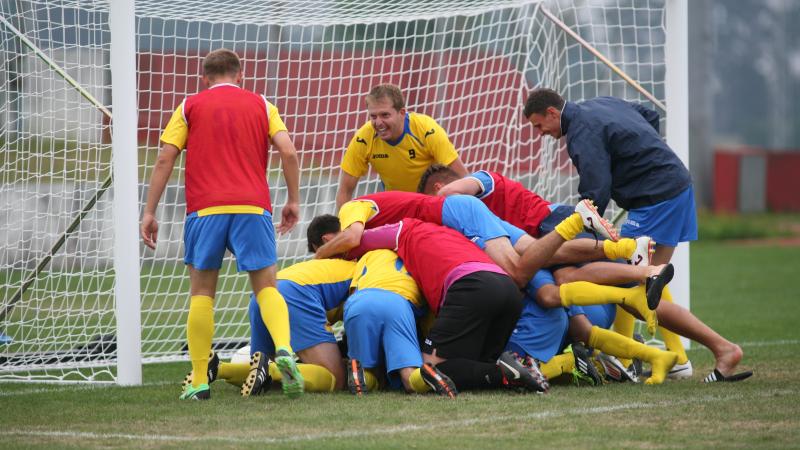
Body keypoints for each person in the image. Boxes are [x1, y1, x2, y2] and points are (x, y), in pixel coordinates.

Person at [523, 89, 750, 382]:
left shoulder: (580, 131)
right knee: (646, 283)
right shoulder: (601, 103)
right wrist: (639, 155)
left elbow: (595, 192)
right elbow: (649, 115)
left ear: (552, 113)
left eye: (539, 126)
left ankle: (720, 349)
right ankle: (674, 359)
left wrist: (577, 229)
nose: (541, 133)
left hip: (656, 200)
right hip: (676, 187)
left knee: (626, 284)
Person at [140, 49, 303, 400]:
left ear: (205, 77)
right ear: (240, 74)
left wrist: (149, 211)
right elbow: (288, 152)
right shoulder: (262, 104)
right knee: (267, 288)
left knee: (201, 295)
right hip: (252, 207)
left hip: (205, 210)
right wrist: (292, 200)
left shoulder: (189, 107)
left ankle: (200, 379)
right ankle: (285, 350)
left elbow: (165, 157)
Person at [311, 216, 549, 394]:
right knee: (474, 367)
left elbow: (355, 243)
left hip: (468, 287)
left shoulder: (400, 233)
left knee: (429, 368)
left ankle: (503, 373)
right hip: (506, 287)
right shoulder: (453, 233)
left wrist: (322, 255)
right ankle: (516, 370)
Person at [312, 190, 618, 289]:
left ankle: (578, 219)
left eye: (328, 247)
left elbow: (351, 237)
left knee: (517, 273)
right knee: (545, 254)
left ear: (327, 238)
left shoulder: (351, 209)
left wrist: (318, 258)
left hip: (456, 214)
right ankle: (621, 249)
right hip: (462, 212)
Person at [343, 248, 456, 397]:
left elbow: (353, 289)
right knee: (409, 378)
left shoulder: (370, 255)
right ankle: (425, 374)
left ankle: (361, 374)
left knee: (370, 371)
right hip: (398, 302)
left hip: (359, 300)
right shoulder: (420, 256)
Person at [335, 84, 468, 209]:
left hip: (432, 204)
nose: (378, 123)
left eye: (385, 115)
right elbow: (345, 191)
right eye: (373, 116)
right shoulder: (363, 139)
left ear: (402, 113)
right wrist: (343, 226)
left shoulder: (426, 129)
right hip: (397, 207)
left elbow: (463, 177)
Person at [240, 258, 357, 395]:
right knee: (336, 378)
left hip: (263, 294)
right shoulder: (369, 275)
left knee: (261, 372)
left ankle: (219, 368)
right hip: (294, 293)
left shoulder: (336, 264)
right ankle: (273, 371)